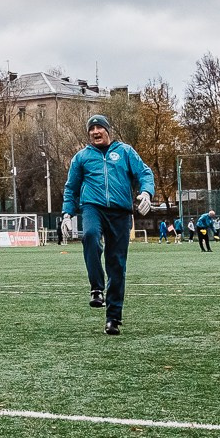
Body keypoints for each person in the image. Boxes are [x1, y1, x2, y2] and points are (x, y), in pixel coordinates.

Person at [59, 113, 154, 335]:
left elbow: (144, 173)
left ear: (107, 130)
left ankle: (113, 319)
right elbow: (71, 188)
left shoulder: (125, 152)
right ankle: (96, 288)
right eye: (91, 130)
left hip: (120, 212)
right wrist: (67, 214)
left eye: (99, 128)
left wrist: (147, 193)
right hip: (93, 207)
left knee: (117, 265)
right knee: (90, 235)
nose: (95, 132)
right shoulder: (81, 157)